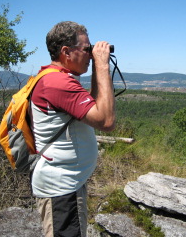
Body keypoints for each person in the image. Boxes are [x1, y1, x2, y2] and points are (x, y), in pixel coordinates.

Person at [30, 21, 115, 237]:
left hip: (67, 184)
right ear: (66, 52)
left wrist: (96, 67)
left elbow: (95, 107)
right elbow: (106, 121)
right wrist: (103, 66)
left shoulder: (57, 78)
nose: (90, 53)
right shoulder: (58, 83)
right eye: (86, 49)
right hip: (62, 189)